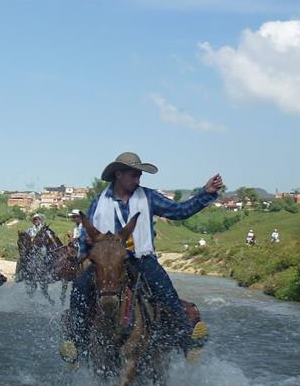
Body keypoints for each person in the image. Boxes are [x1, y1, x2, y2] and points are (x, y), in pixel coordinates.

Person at [70, 151, 223, 353]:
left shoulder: (148, 197)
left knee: (167, 294)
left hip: (142, 259)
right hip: (108, 264)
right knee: (79, 291)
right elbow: (84, 236)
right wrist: (87, 252)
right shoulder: (98, 202)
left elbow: (179, 211)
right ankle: (77, 344)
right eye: (133, 174)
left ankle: (186, 339)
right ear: (119, 175)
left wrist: (206, 193)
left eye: (139, 175)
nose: (138, 179)